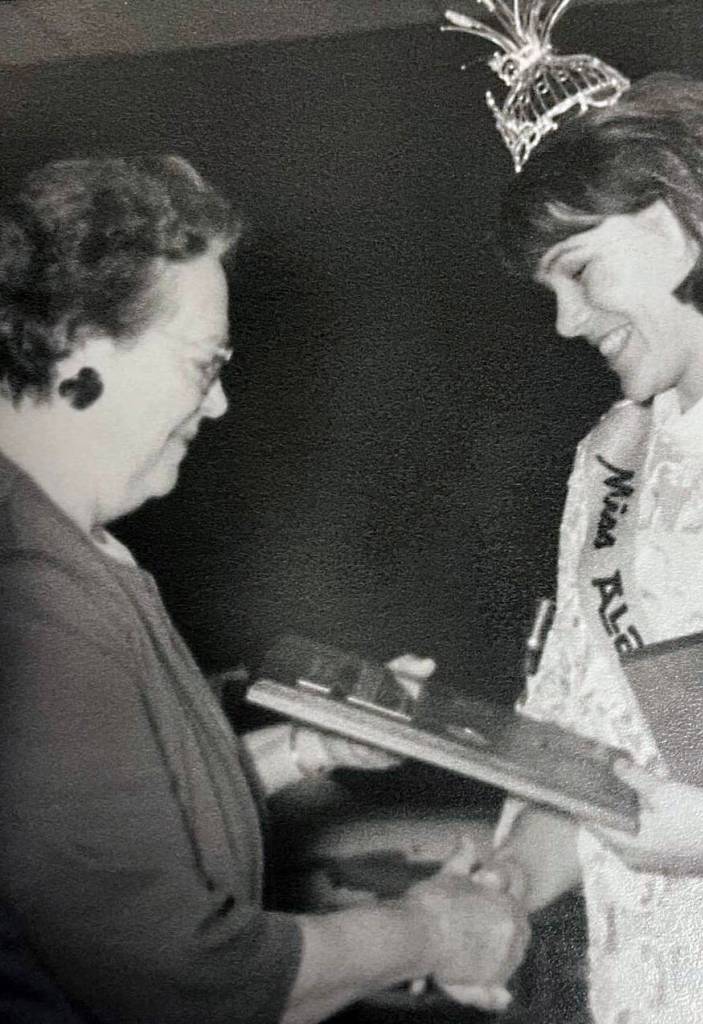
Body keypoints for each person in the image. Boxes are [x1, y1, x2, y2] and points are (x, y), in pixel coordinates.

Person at [0, 155, 530, 1024]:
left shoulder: (75, 556)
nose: (217, 406)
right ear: (79, 356)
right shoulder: (32, 597)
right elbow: (184, 982)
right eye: (204, 364)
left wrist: (306, 748)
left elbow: (110, 835)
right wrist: (428, 929)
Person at [481, 72, 703, 1023]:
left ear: (680, 215)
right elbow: (586, 746)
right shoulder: (610, 458)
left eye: (579, 270)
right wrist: (495, 887)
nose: (567, 321)